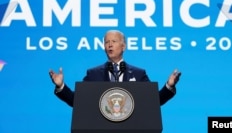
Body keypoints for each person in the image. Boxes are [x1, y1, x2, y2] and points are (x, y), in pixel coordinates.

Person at [49, 29, 181, 107]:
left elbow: (153, 102)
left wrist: (169, 86)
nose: (110, 45)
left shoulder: (139, 73)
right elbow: (77, 102)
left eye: (114, 41)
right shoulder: (93, 74)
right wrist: (61, 86)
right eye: (107, 42)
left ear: (123, 46)